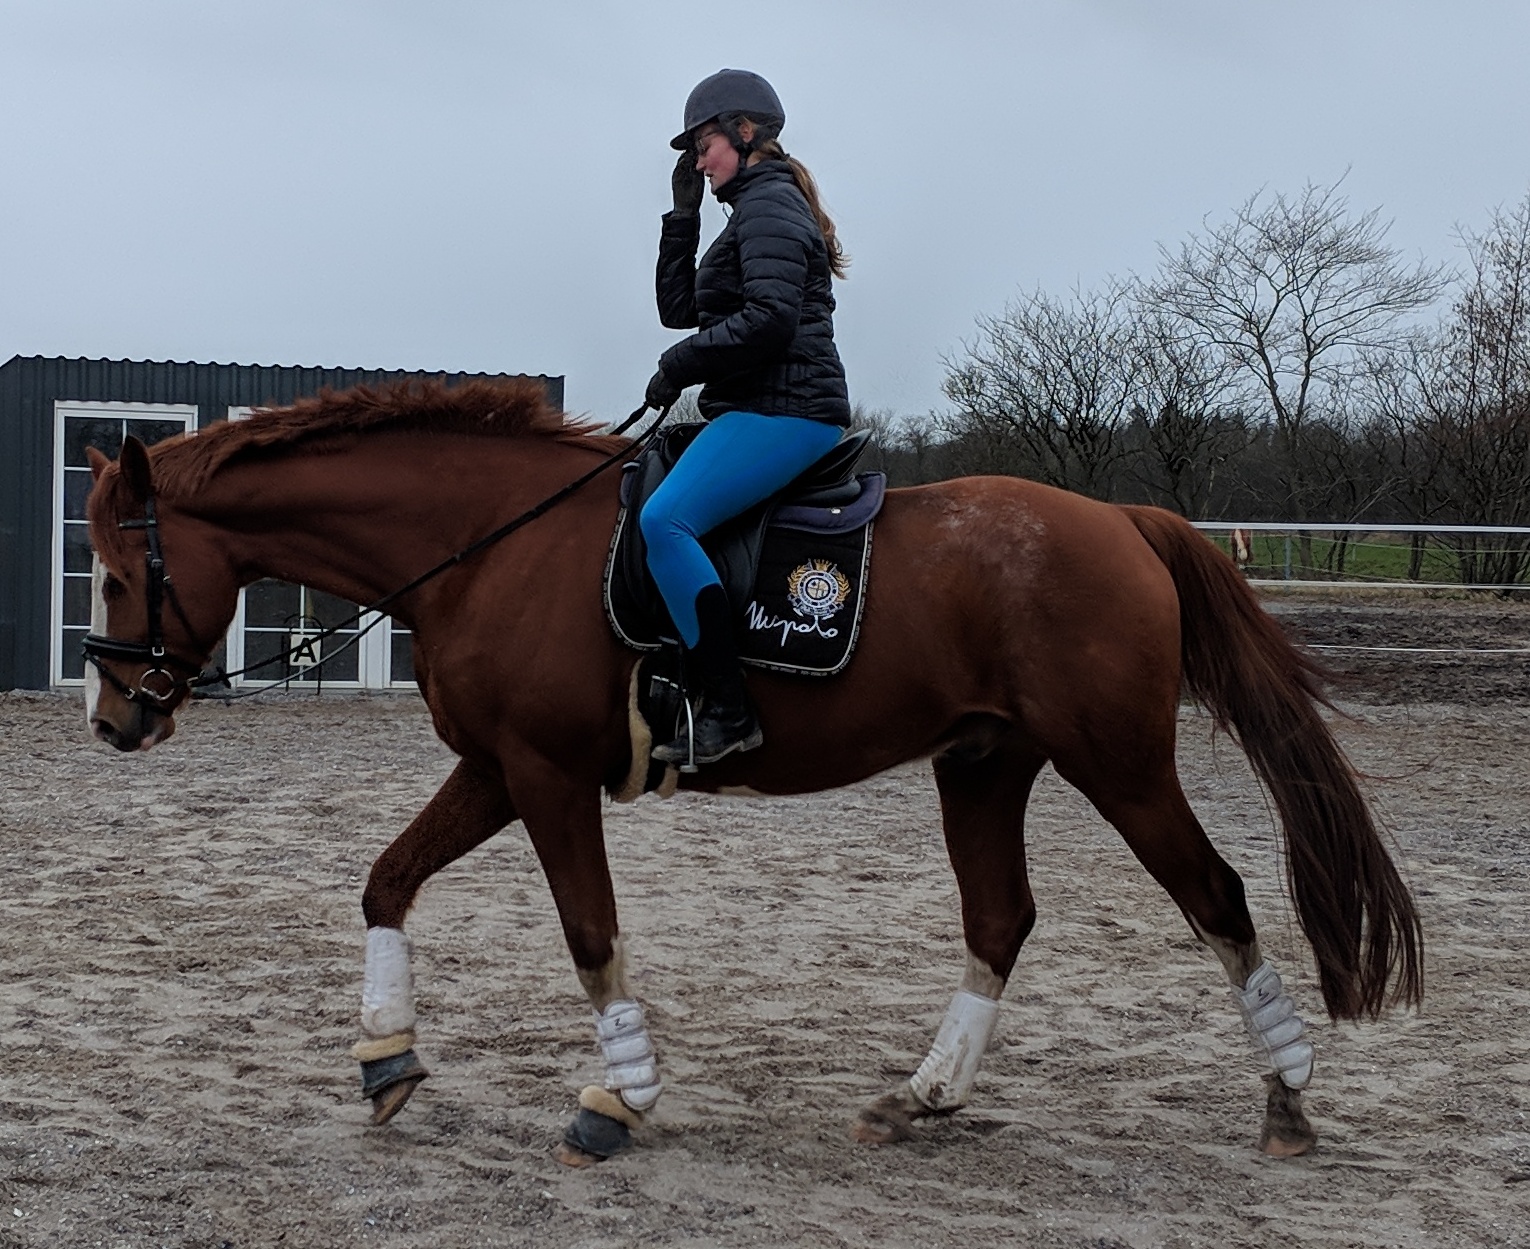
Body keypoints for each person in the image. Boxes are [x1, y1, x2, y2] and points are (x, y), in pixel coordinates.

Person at [641, 67, 852, 768]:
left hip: (787, 407)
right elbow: (682, 309)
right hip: (761, 403)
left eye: (704, 145)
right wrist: (683, 216)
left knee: (663, 521)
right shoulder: (749, 213)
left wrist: (679, 365)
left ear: (746, 132)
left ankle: (728, 711)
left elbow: (768, 321)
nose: (698, 161)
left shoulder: (770, 209)